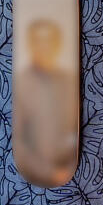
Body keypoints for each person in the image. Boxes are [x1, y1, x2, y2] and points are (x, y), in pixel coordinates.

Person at [13, 17, 78, 187]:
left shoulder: (68, 81)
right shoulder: (21, 83)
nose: (44, 46)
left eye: (49, 40)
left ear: (57, 44)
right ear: (30, 45)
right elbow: (19, 139)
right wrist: (50, 172)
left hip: (73, 171)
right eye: (38, 41)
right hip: (31, 178)